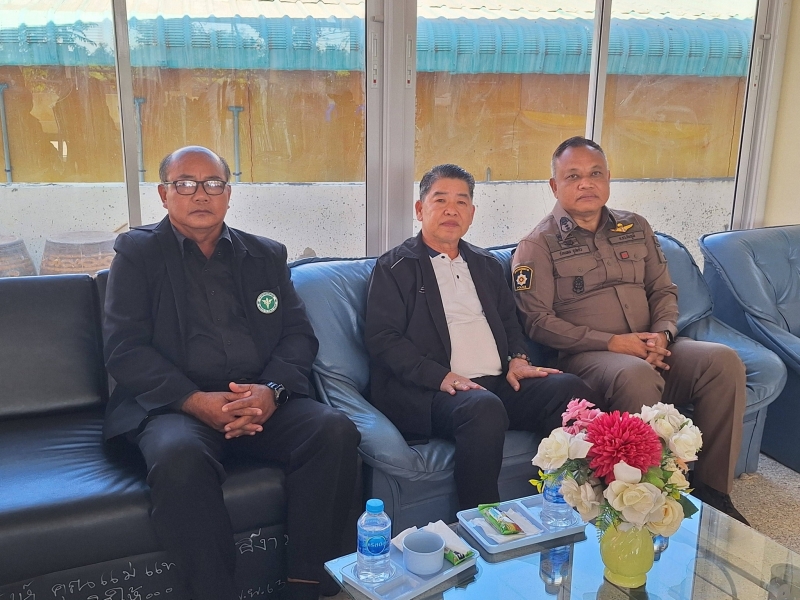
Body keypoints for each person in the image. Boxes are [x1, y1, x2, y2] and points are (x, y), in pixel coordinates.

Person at [102, 146, 360, 600]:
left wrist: (271, 391)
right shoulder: (138, 253)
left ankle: (306, 585)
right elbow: (124, 348)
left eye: (213, 184)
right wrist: (194, 401)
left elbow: (298, 336)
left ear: (228, 193)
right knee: (179, 456)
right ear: (164, 194)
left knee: (333, 430)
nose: (201, 194)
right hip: (176, 407)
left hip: (259, 400)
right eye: (185, 184)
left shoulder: (265, 255)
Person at [512, 136, 748, 524]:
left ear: (608, 178)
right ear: (554, 185)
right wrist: (613, 342)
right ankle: (644, 501)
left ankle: (712, 491)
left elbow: (663, 290)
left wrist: (663, 334)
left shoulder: (635, 226)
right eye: (573, 176)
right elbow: (537, 321)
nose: (586, 183)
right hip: (589, 358)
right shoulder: (537, 245)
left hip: (653, 344)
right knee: (635, 373)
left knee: (722, 361)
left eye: (595, 174)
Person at [364, 163, 602, 511]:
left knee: (570, 390)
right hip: (433, 391)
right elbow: (383, 339)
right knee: (483, 408)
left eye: (461, 202)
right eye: (440, 200)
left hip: (497, 383)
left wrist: (517, 359)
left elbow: (510, 322)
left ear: (472, 213)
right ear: (420, 209)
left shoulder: (486, 265)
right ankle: (481, 522)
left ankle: (571, 506)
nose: (451, 210)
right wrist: (441, 376)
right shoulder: (394, 267)